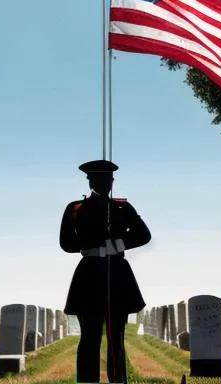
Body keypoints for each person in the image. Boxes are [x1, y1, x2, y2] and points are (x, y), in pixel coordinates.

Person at [59, 159, 151, 384]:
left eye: (109, 179)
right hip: (89, 274)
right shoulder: (76, 208)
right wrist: (95, 242)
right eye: (100, 178)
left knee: (116, 338)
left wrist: (118, 244)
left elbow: (143, 234)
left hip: (117, 274)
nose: (106, 183)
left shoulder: (121, 207)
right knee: (89, 338)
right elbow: (67, 243)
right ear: (90, 180)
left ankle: (118, 381)